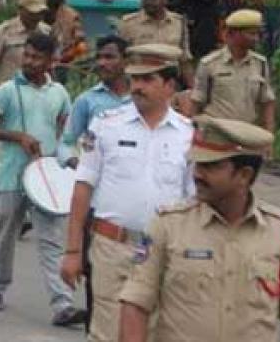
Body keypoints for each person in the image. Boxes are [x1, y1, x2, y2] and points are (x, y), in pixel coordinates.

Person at [118, 116, 280, 342]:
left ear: (244, 175)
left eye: (210, 166)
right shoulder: (168, 225)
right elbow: (135, 303)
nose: (196, 174)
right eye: (196, 164)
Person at [60, 44, 194, 341]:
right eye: (135, 79)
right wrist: (72, 252)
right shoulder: (106, 125)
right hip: (112, 247)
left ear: (170, 86)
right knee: (107, 334)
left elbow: (194, 202)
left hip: (164, 254)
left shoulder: (188, 135)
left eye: (148, 80)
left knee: (155, 333)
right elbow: (83, 187)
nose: (138, 87)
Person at [0, 32, 85, 326]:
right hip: (12, 176)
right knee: (6, 235)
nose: (30, 61)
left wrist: (68, 157)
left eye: (37, 57)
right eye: (28, 55)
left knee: (50, 241)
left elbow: (67, 132)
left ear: (51, 61)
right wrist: (16, 136)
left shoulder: (58, 93)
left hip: (46, 179)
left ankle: (62, 304)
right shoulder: (8, 91)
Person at [191, 9, 276, 132]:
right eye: (251, 34)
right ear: (232, 34)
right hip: (217, 134)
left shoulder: (260, 64)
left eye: (257, 34)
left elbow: (267, 102)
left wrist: (269, 136)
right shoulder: (210, 64)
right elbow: (197, 102)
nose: (256, 39)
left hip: (248, 134)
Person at [57, 35, 131, 169]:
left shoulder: (141, 99)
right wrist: (81, 168)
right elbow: (66, 144)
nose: (102, 63)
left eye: (109, 57)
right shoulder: (86, 101)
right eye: (99, 57)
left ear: (126, 61)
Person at [118, 0, 193, 87]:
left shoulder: (178, 23)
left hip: (169, 85)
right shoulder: (129, 24)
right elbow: (120, 58)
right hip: (140, 83)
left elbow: (184, 60)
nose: (148, 2)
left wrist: (193, 90)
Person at [45, 0, 86, 83]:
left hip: (64, 63)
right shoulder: (37, 14)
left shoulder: (71, 17)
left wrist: (65, 57)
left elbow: (81, 44)